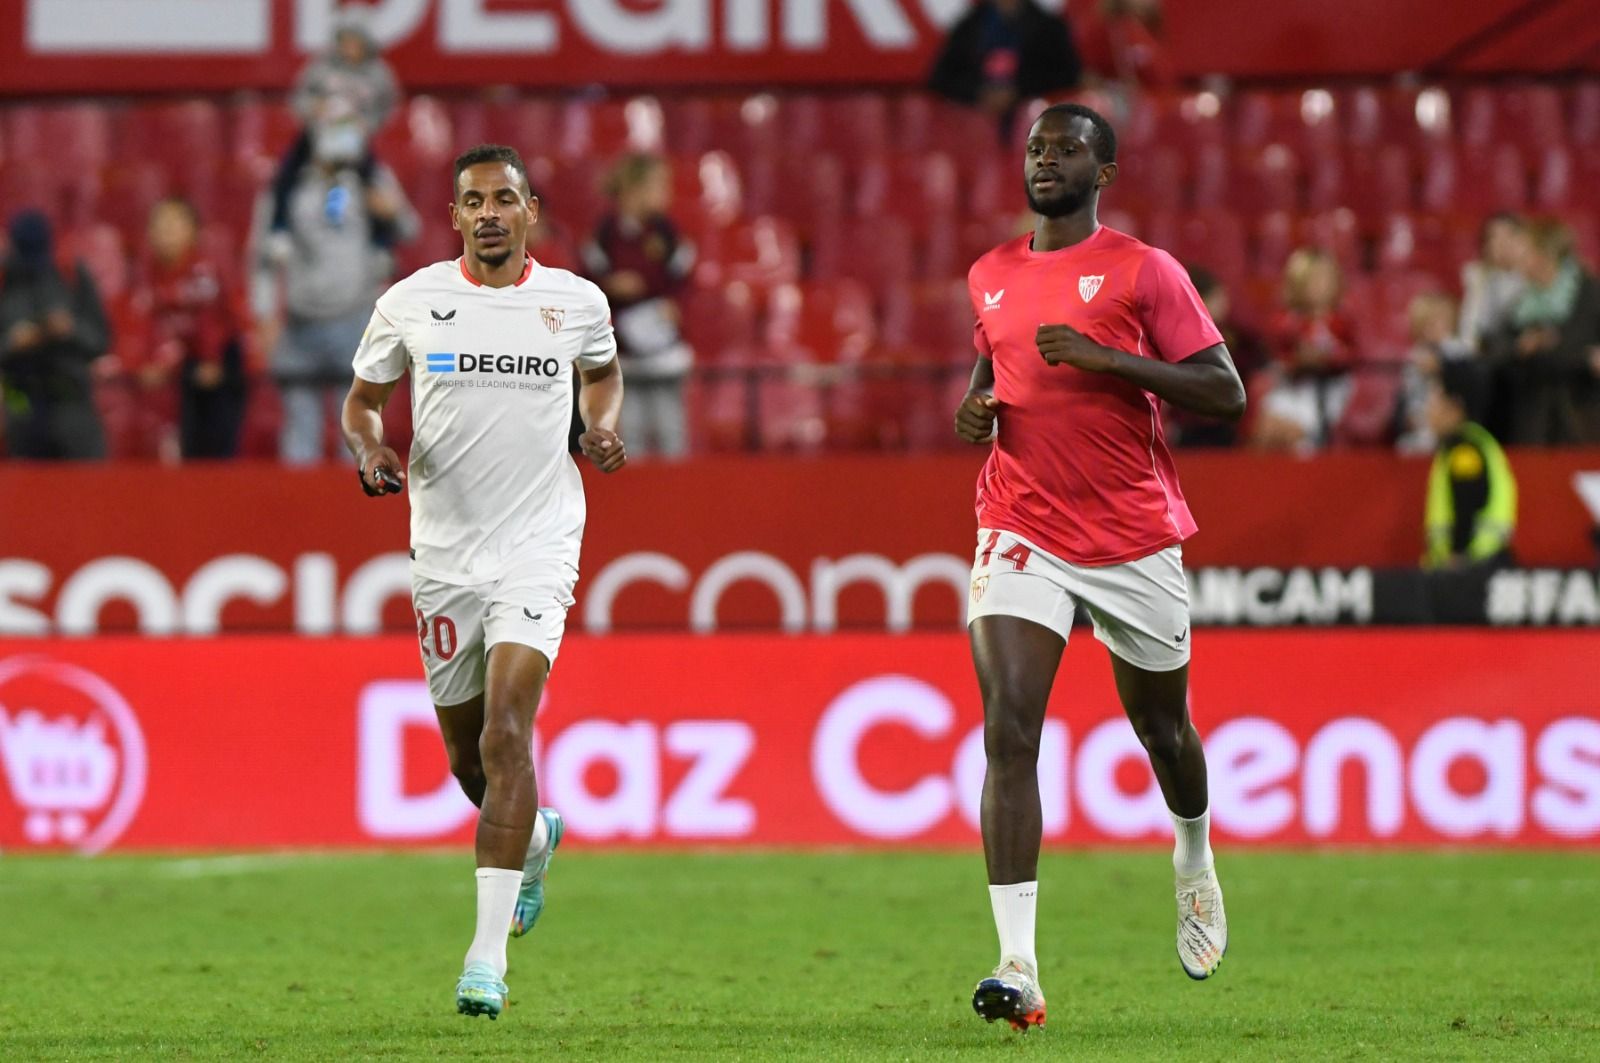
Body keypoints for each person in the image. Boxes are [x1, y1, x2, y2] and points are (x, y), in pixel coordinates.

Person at [953, 103, 1244, 1031]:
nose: (1047, 160)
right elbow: (992, 374)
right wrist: (974, 412)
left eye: (1068, 148)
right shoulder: (989, 274)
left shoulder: (1144, 269)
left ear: (1103, 171)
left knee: (1165, 732)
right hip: (1019, 522)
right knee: (1008, 730)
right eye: (1037, 148)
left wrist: (1110, 358)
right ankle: (1018, 964)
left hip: (1130, 536)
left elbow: (1224, 390)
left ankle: (1193, 855)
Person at [340, 144, 627, 1020]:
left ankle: (485, 958)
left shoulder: (574, 302)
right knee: (472, 762)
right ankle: (534, 837)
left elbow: (604, 373)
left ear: (532, 209)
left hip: (539, 542)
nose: (492, 212)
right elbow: (360, 400)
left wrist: (600, 426)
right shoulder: (412, 303)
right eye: (475, 201)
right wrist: (370, 446)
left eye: (507, 198)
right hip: (446, 555)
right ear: (456, 215)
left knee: (509, 730)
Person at [253, 127, 417, 463]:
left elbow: (410, 228)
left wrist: (390, 209)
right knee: (300, 432)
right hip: (300, 323)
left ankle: (357, 509)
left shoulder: (372, 178)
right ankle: (299, 510)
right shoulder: (287, 186)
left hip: (355, 320)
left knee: (357, 429)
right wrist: (265, 314)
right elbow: (263, 255)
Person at [582, 154, 695, 459]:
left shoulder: (666, 231)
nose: (666, 195)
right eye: (660, 187)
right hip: (623, 347)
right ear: (634, 190)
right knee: (629, 429)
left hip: (663, 343)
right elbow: (587, 279)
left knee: (671, 428)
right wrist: (611, 285)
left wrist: (675, 305)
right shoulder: (605, 234)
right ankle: (635, 491)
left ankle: (678, 492)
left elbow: (683, 276)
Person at [125, 198, 249, 460]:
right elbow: (146, 323)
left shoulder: (202, 272)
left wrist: (211, 361)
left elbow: (212, 321)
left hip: (221, 358)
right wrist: (147, 361)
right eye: (160, 225)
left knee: (215, 442)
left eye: (175, 224)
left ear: (192, 231)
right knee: (187, 442)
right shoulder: (148, 275)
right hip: (184, 362)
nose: (167, 232)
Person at [267, 7, 400, 251]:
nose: (349, 47)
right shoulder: (321, 68)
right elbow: (299, 98)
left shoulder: (379, 75)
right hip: (319, 134)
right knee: (287, 172)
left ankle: (381, 241)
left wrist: (365, 124)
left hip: (355, 137)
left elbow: (387, 109)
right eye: (345, 40)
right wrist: (315, 111)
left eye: (355, 41)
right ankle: (279, 227)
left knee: (373, 180)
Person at [0, 210, 111, 460]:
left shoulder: (71, 273)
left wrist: (71, 329)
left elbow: (101, 340)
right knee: (25, 492)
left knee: (86, 489)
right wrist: (13, 342)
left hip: (71, 398)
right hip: (20, 400)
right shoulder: (4, 280)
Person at [1484, 218, 1600, 445]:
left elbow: (1580, 350)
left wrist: (1572, 355)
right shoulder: (1521, 305)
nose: (1518, 258)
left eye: (1524, 250)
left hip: (1583, 420)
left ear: (1544, 254)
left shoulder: (1589, 293)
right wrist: (1521, 346)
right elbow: (1494, 353)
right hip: (1533, 424)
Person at [928, 1, 1083, 136]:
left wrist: (1019, 91)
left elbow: (1067, 74)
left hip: (1031, 119)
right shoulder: (969, 27)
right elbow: (941, 77)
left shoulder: (1049, 27)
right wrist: (978, 93)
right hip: (974, 122)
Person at [1254, 248, 1357, 452]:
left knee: (1294, 436)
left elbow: (1351, 356)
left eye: (1324, 278)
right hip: (1293, 388)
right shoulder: (1287, 321)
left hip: (1329, 390)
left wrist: (1326, 359)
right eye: (1312, 279)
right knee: (1265, 428)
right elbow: (1278, 356)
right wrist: (1298, 360)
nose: (1318, 285)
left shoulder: (1342, 322)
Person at [1422, 360, 1516, 570]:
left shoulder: (1465, 451)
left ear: (1454, 406)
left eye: (1435, 398)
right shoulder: (1470, 444)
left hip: (1473, 567)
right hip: (1478, 566)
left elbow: (1467, 503)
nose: (1428, 408)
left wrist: (1457, 553)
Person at [1168, 266, 1266, 447]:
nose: (1224, 302)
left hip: (1231, 424)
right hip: (1188, 428)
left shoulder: (1242, 341)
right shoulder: (1172, 343)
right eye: (1217, 297)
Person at [1395, 291, 1473, 454]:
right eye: (1433, 323)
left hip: (1454, 424)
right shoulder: (1416, 356)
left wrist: (1443, 366)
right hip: (1422, 422)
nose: (1440, 328)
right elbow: (1411, 395)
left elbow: (1467, 383)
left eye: (1445, 322)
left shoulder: (1458, 351)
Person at [1458, 212, 1528, 352]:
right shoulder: (1478, 277)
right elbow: (1470, 332)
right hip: (1490, 357)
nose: (1502, 243)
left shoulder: (1533, 277)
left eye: (1509, 235)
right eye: (1494, 237)